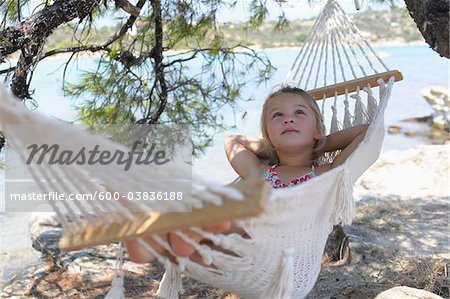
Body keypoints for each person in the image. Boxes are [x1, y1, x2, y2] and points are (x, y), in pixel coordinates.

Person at [126, 86, 368, 263]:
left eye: (299, 113)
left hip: (276, 248)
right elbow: (233, 140)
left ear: (317, 129)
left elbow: (365, 132)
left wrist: (319, 142)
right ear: (267, 134)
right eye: (277, 116)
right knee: (212, 218)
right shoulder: (260, 171)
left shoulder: (328, 173)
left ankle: (176, 233)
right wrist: (274, 146)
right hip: (237, 245)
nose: (288, 119)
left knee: (225, 217)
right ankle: (161, 240)